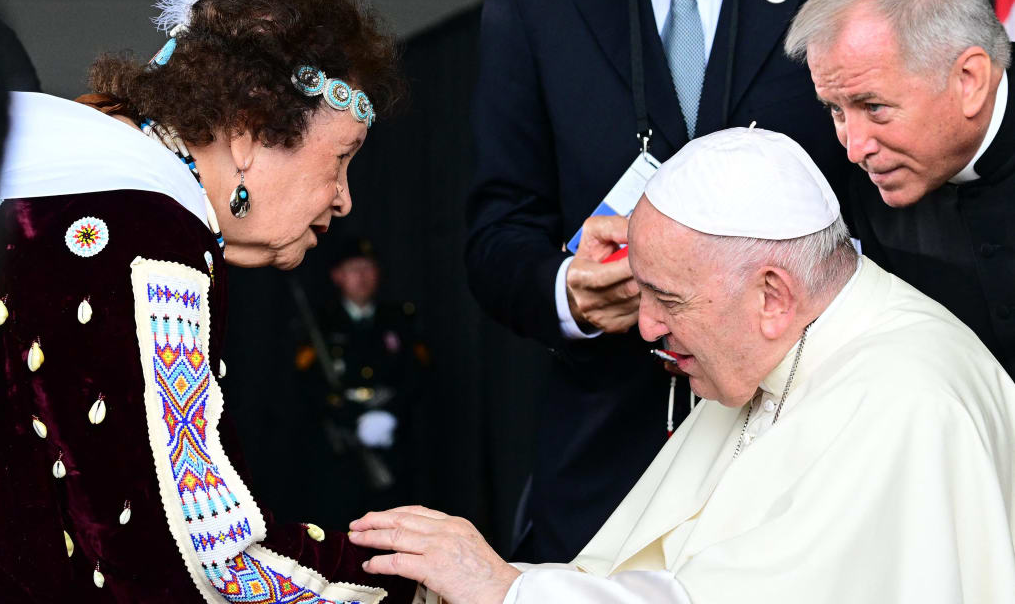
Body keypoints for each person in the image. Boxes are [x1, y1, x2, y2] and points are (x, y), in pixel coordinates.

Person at [350, 127, 1015, 604]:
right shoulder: (783, 351)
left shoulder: (907, 400)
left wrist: (508, 592)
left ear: (773, 295)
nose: (646, 328)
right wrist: (490, 582)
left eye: (667, 299)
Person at [0, 0, 415, 603]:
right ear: (251, 130)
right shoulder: (145, 220)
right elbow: (187, 553)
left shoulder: (68, 177)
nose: (343, 199)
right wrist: (412, 579)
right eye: (341, 159)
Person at [466, 0, 857, 564]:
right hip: (610, 458)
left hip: (814, 439)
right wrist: (568, 290)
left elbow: (894, 187)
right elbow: (497, 231)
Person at [784, 0, 1015, 376]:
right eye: (836, 109)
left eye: (873, 107)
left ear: (969, 81)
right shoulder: (858, 175)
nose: (855, 149)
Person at [289, 238, 427, 529]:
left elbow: (417, 376)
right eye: (353, 269)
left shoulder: (399, 320)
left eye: (368, 268)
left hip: (392, 442)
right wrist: (352, 419)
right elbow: (307, 385)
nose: (362, 277)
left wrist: (389, 414)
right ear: (337, 276)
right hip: (339, 446)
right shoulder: (320, 324)